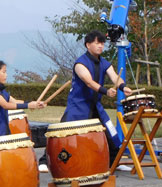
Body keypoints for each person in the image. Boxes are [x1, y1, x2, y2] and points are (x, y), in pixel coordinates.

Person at [38, 30, 132, 172]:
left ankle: (114, 163)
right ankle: (44, 161)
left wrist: (123, 87)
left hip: (95, 106)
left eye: (102, 43)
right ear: (88, 45)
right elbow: (88, 82)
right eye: (97, 43)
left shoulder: (104, 63)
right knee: (62, 134)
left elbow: (115, 77)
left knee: (111, 135)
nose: (100, 46)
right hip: (78, 106)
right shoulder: (80, 63)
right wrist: (106, 91)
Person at [0, 59, 45, 138]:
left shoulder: (1, 90)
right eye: (3, 72)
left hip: (3, 130)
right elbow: (5, 105)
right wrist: (28, 106)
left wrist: (34, 103)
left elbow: (15, 101)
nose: (6, 75)